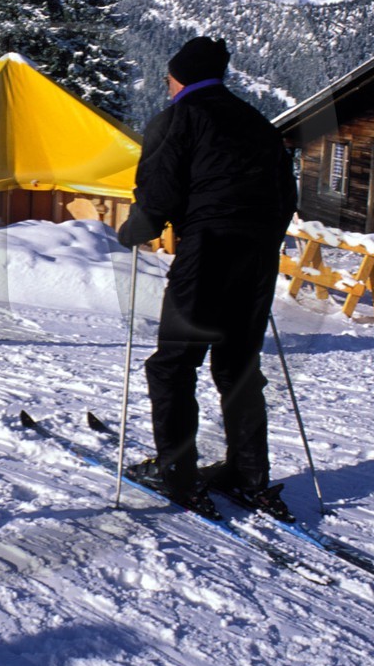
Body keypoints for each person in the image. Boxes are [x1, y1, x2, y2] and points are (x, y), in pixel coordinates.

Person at [117, 37, 298, 516]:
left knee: (173, 365)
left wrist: (134, 230)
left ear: (180, 77)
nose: (166, 84)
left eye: (169, 77)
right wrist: (260, 242)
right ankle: (248, 474)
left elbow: (158, 193)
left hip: (208, 250)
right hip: (258, 257)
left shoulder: (178, 118)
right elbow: (287, 197)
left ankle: (177, 473)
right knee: (237, 366)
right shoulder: (258, 123)